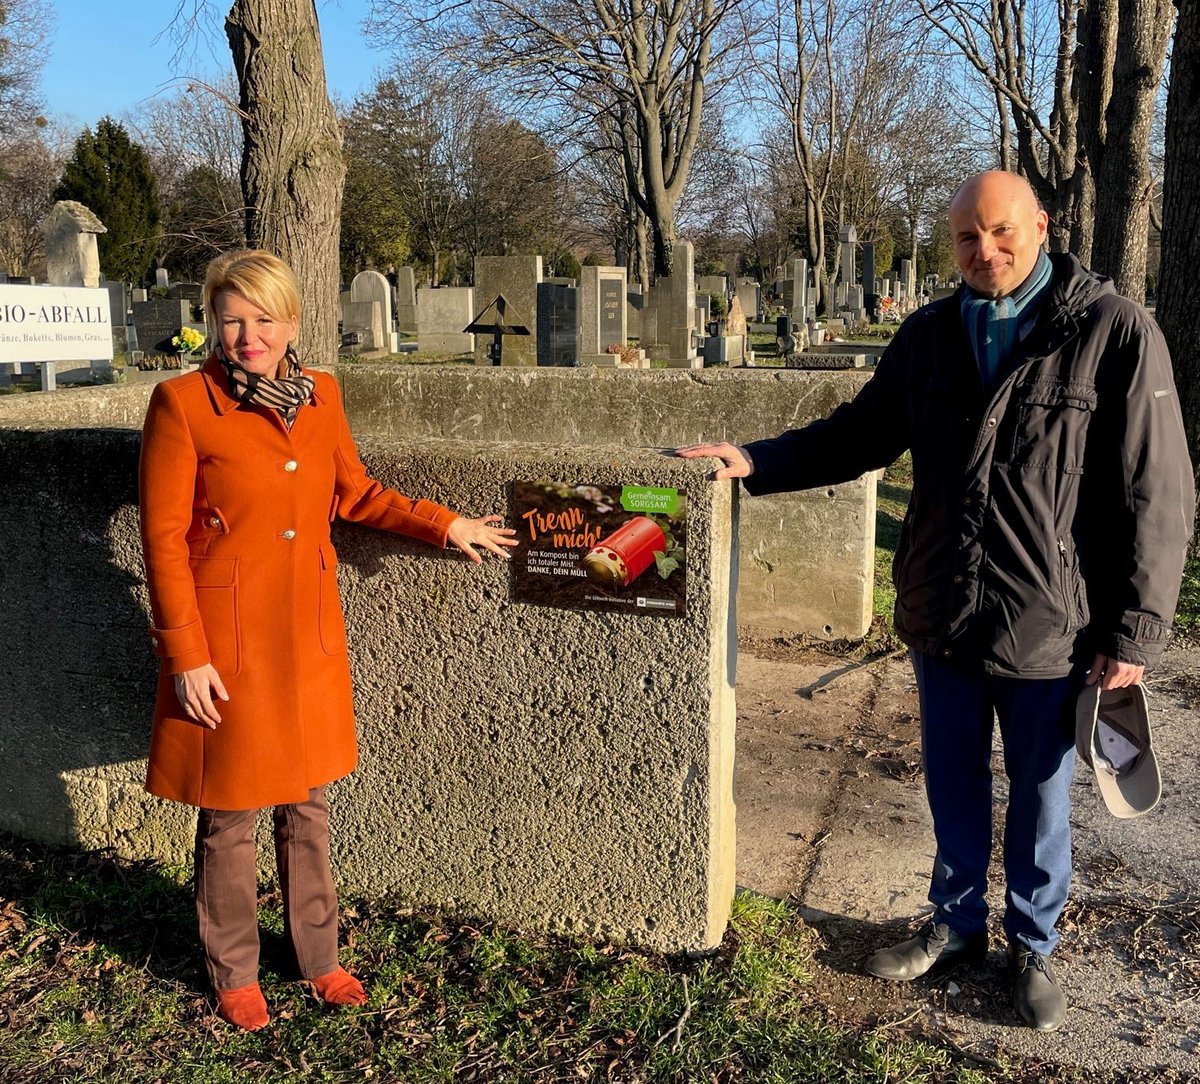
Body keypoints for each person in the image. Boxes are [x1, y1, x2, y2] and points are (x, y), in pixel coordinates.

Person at [679, 171, 1193, 1032]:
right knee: (951, 784)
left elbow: (1157, 490)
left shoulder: (1111, 332)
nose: (983, 252)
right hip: (942, 608)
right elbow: (861, 432)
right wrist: (757, 461)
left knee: (1038, 796)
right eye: (965, 238)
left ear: (1041, 226)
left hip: (1051, 622)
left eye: (1000, 233)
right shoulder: (927, 335)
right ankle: (957, 926)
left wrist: (1135, 628)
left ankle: (1033, 945)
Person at [138, 249, 517, 1031]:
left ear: (292, 323)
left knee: (308, 803)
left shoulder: (322, 396)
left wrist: (445, 523)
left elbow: (356, 491)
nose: (248, 336)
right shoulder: (182, 404)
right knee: (230, 811)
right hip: (228, 639)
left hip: (306, 632)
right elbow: (163, 539)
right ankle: (233, 968)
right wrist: (187, 653)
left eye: (263, 320)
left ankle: (319, 955)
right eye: (232, 320)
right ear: (212, 321)